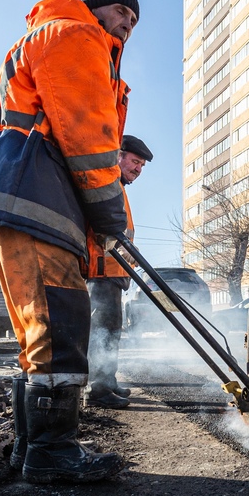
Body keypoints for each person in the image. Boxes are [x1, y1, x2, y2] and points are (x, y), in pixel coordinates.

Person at [0, 0, 136, 484]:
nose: (127, 26)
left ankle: (34, 448)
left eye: (134, 21)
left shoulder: (54, 35)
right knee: (59, 324)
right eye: (123, 13)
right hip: (33, 191)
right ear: (98, 8)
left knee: (41, 329)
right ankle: (52, 453)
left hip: (21, 193)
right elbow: (87, 137)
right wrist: (111, 216)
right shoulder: (74, 35)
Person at [86, 134, 153, 409]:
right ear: (119, 156)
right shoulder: (108, 183)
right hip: (101, 272)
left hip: (114, 273)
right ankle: (98, 390)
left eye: (141, 166)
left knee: (111, 330)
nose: (138, 169)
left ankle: (107, 381)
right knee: (102, 331)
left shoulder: (119, 188)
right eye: (135, 161)